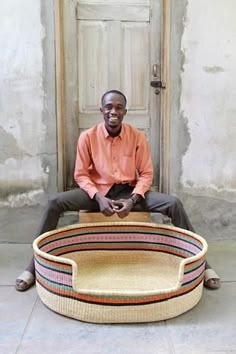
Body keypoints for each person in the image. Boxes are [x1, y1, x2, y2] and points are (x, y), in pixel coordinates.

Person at [16, 89, 221, 291]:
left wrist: (132, 200)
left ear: (125, 111)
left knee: (173, 203)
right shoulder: (87, 137)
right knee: (54, 202)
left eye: (119, 107)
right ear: (101, 110)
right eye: (108, 107)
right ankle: (33, 267)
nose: (113, 111)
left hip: (129, 192)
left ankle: (203, 266)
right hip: (98, 192)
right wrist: (98, 198)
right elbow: (81, 175)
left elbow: (146, 174)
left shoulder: (137, 137)